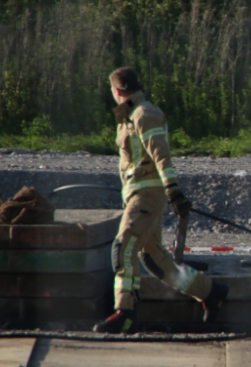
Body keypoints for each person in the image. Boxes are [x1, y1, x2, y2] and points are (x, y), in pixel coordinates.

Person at [94, 67, 229, 334]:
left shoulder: (144, 114)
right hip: (138, 195)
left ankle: (125, 313)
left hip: (147, 196)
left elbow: (162, 156)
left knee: (124, 247)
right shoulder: (130, 117)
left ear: (117, 91)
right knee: (154, 259)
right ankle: (210, 292)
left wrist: (173, 191)